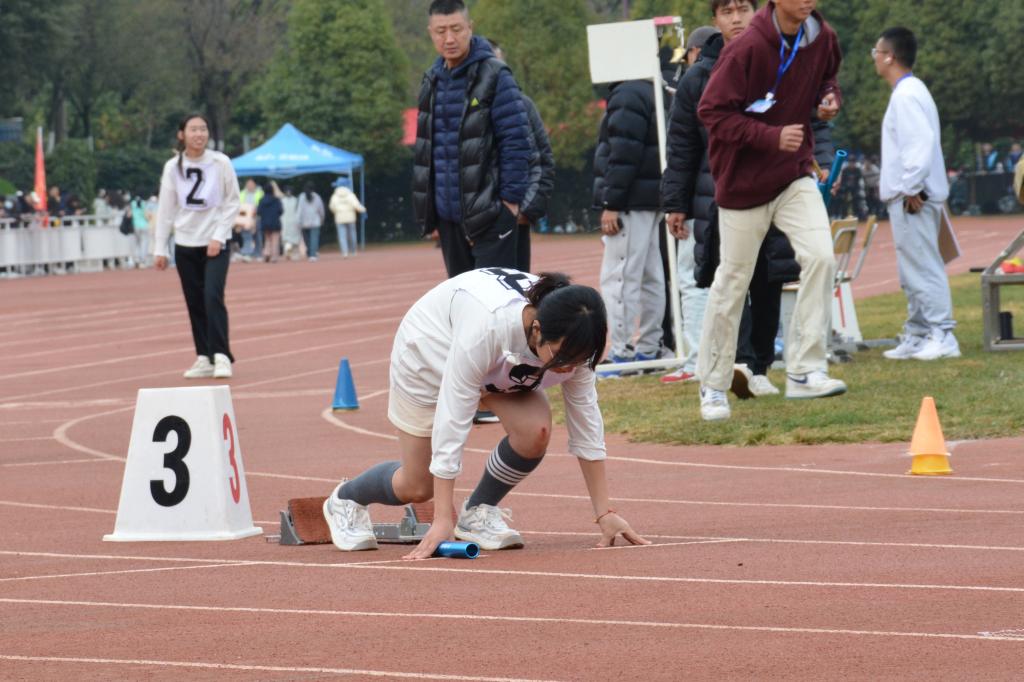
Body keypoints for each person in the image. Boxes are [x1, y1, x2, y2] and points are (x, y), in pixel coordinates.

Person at [321, 267, 649, 559]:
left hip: (495, 368)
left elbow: (586, 423)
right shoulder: (488, 328)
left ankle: (477, 513)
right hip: (428, 355)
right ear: (536, 330)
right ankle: (345, 499)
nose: (568, 367)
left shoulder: (576, 344)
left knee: (535, 431)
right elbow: (453, 418)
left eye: (578, 360)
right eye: (562, 358)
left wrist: (604, 512)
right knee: (418, 486)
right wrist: (441, 518)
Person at [695, 0, 847, 421]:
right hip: (743, 184)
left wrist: (829, 98)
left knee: (821, 257)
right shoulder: (746, 48)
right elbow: (711, 111)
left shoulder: (822, 37)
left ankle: (804, 370)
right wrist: (769, 136)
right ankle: (713, 385)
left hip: (794, 174)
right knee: (732, 282)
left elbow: (828, 78)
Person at [412, 0, 532, 278]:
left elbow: (516, 140)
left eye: (456, 29)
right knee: (460, 295)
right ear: (430, 32)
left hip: (491, 213)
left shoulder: (496, 75)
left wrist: (509, 203)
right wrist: (429, 213)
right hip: (448, 218)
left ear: (470, 27)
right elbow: (426, 152)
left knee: (494, 296)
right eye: (441, 31)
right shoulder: (431, 80)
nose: (449, 38)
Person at [874, 27, 959, 361]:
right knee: (912, 269)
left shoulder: (906, 95)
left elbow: (919, 143)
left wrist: (911, 186)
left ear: (889, 56)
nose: (874, 58)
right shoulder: (910, 91)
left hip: (913, 197)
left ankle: (943, 334)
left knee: (923, 267)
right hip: (913, 194)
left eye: (877, 52)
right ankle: (919, 332)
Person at [153, 113, 240, 379]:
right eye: (193, 129)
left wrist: (219, 236)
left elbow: (232, 202)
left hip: (214, 243)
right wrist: (160, 247)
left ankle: (221, 355)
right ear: (182, 135)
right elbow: (166, 209)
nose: (199, 134)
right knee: (194, 301)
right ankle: (204, 356)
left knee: (212, 296)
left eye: (203, 129)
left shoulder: (220, 162)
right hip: (185, 242)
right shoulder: (172, 167)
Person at [592, 70, 668, 370]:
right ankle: (649, 347)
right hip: (650, 198)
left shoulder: (627, 94)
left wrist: (612, 202)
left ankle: (622, 352)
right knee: (650, 276)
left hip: (631, 199)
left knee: (619, 278)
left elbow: (624, 152)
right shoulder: (652, 89)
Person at [488, 39, 555, 273]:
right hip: (470, 221)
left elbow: (542, 161)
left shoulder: (522, 105)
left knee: (511, 288)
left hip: (511, 216)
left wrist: (526, 210)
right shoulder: (460, 106)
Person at [328, 177, 366, 258]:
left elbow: (332, 207)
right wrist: (363, 210)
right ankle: (353, 251)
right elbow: (356, 205)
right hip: (350, 217)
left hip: (339, 218)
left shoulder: (335, 196)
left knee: (342, 236)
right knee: (352, 234)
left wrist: (337, 212)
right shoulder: (350, 195)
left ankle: (344, 252)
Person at [297, 183, 325, 261]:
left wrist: (298, 221)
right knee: (314, 238)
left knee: (307, 239)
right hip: (315, 221)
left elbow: (299, 210)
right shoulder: (317, 197)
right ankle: (313, 255)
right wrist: (322, 219)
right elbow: (321, 210)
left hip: (304, 222)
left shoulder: (301, 197)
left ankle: (310, 252)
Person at [256, 183, 283, 263]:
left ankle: (267, 253)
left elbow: (258, 212)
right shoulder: (276, 200)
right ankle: (274, 256)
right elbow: (280, 211)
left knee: (267, 239)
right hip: (275, 222)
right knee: (275, 239)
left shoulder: (261, 200)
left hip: (265, 222)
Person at [275, 182, 302, 260]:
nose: (288, 192)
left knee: (295, 239)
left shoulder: (295, 200)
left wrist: (298, 221)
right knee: (286, 239)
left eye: (290, 191)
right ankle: (288, 252)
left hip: (294, 222)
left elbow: (299, 211)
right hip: (284, 222)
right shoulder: (282, 201)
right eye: (287, 191)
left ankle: (295, 254)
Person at [239, 178, 264, 258]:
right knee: (246, 236)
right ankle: (247, 252)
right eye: (248, 184)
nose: (250, 186)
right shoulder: (242, 193)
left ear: (254, 185)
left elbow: (262, 205)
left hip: (257, 217)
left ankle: (258, 253)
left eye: (251, 184)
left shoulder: (260, 193)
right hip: (245, 218)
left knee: (258, 236)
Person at [131, 194, 151, 268]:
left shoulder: (132, 204)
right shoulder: (143, 203)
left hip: (136, 226)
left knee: (137, 243)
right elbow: (147, 215)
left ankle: (137, 259)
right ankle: (143, 260)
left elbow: (130, 214)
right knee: (144, 243)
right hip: (144, 225)